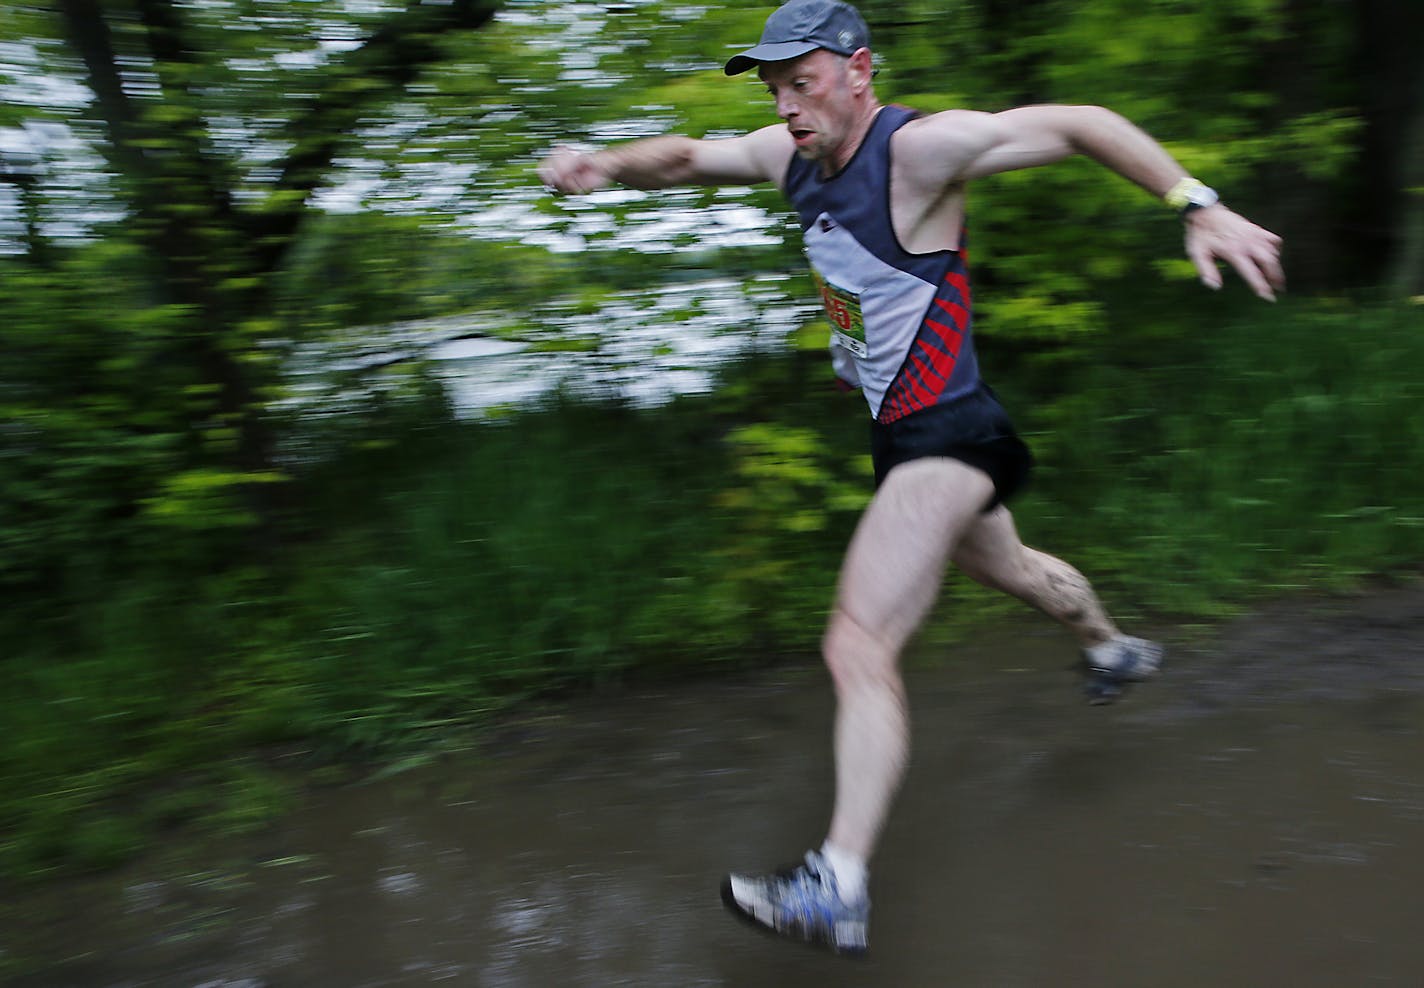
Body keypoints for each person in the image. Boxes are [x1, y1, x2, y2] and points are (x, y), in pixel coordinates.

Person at [539, 0, 1285, 956]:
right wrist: (605, 164)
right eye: (774, 89)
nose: (787, 106)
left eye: (801, 82)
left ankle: (836, 884)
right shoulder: (787, 158)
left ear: (859, 71)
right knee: (1012, 569)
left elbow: (1079, 125)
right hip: (909, 435)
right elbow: (684, 156)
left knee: (857, 642)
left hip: (951, 434)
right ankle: (1110, 648)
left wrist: (1198, 203)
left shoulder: (922, 152)